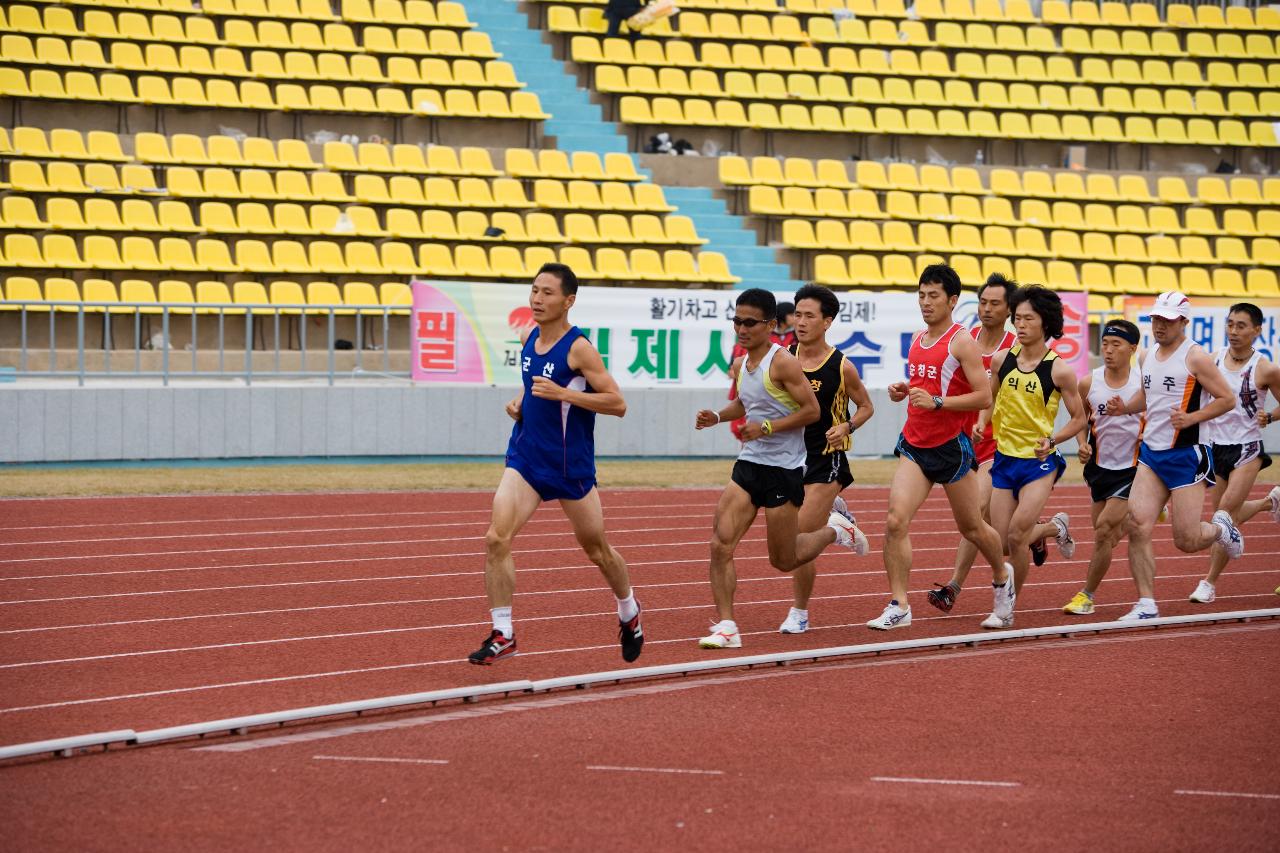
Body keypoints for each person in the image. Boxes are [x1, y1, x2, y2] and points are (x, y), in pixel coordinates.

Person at [468, 264, 644, 665]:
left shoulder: (579, 348)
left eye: (547, 293)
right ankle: (504, 632)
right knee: (497, 538)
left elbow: (617, 404)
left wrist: (565, 393)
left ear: (568, 301)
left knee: (598, 550)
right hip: (527, 459)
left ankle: (629, 611)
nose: (536, 299)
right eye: (533, 291)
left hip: (570, 467)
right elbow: (534, 385)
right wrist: (521, 402)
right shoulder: (531, 337)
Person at [694, 288, 862, 649]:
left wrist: (768, 427)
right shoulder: (741, 363)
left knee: (783, 560)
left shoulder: (783, 362)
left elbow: (812, 412)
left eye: (750, 322)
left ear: (770, 325)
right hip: (749, 464)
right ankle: (727, 626)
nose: (742, 328)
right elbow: (745, 402)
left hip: (784, 471)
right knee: (720, 544)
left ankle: (836, 530)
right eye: (737, 320)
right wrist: (718, 416)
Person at [869, 264, 1014, 631]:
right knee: (894, 521)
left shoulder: (962, 341)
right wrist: (905, 389)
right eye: (921, 295)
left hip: (952, 448)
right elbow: (928, 384)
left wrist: (937, 403)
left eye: (933, 296)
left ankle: (1001, 577)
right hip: (915, 444)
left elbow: (983, 395)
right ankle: (900, 605)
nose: (925, 302)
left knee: (973, 528)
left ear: (951, 300)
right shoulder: (918, 339)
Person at [1105, 291, 1243, 621]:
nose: (1160, 325)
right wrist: (1125, 407)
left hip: (1187, 455)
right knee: (1137, 524)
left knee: (1187, 539)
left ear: (1183, 321)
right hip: (1152, 455)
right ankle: (1146, 604)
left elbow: (1227, 399)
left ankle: (1221, 529)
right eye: (1156, 319)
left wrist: (1192, 418)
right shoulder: (1147, 355)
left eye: (1167, 320)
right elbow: (1148, 396)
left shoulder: (1196, 357)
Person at [979, 286, 1086, 628]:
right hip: (1005, 460)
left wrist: (1052, 439)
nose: (1020, 325)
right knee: (1005, 543)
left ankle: (1007, 606)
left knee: (1016, 533)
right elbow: (989, 398)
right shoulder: (1001, 360)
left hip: (1039, 463)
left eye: (1029, 319)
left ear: (1046, 324)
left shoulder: (1060, 371)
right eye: (1018, 318)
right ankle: (1055, 527)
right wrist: (982, 422)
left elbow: (1079, 417)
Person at [779, 284, 875, 635]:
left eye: (809, 316)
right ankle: (835, 518)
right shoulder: (783, 358)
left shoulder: (841, 366)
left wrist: (846, 426)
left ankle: (799, 612)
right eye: (797, 315)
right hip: (788, 459)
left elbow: (867, 407)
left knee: (798, 539)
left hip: (826, 459)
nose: (800, 322)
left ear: (827, 321)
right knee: (793, 542)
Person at [926, 273, 1017, 614]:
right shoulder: (965, 340)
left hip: (1000, 445)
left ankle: (953, 587)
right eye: (982, 302)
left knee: (974, 516)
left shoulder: (1012, 347)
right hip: (963, 441)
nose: (987, 309)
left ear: (1009, 309)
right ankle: (1047, 529)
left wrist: (986, 421)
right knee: (1006, 539)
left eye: (995, 303)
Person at [1188, 303, 1280, 603]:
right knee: (1226, 519)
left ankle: (1209, 583)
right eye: (1230, 324)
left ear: (1257, 330)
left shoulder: (1265, 368)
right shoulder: (1212, 360)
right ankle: (1270, 502)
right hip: (1216, 448)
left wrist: (1271, 416)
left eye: (1241, 325)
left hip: (1247, 449)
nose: (1234, 331)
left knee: (1223, 517)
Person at [1062, 320, 1144, 615]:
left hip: (1134, 468)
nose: (1108, 350)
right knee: (1105, 533)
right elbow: (1080, 418)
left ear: (1132, 349)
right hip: (1099, 469)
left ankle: (1087, 596)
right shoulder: (1089, 382)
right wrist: (1081, 444)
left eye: (1116, 345)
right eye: (1105, 344)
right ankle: (1147, 509)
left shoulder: (1143, 383)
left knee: (1103, 531)